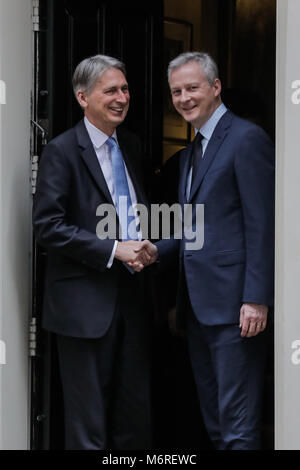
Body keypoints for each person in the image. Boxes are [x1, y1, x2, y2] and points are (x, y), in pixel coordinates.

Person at [143, 52, 275, 450]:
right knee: (217, 426)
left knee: (238, 428)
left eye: (192, 88)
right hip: (198, 311)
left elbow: (263, 224)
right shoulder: (192, 152)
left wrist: (256, 298)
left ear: (215, 88)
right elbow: (194, 230)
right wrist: (153, 251)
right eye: (176, 91)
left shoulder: (246, 139)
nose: (183, 98)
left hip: (237, 309)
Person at [33, 54, 153, 450]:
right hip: (82, 307)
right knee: (88, 426)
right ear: (83, 97)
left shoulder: (132, 145)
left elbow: (137, 214)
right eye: (111, 90)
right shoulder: (62, 151)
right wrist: (114, 250)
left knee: (133, 417)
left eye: (125, 89)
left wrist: (149, 245)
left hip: (133, 301)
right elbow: (48, 227)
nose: (122, 98)